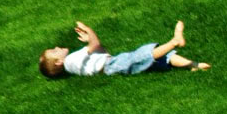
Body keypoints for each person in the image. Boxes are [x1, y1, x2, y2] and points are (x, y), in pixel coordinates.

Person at [38, 19, 209, 78]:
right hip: (112, 66)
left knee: (162, 58)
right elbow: (95, 45)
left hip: (111, 63)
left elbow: (100, 51)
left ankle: (193, 65)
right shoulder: (70, 60)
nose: (56, 47)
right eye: (53, 51)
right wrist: (87, 30)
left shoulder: (73, 63)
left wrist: (89, 41)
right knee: (144, 55)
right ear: (58, 62)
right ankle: (174, 41)